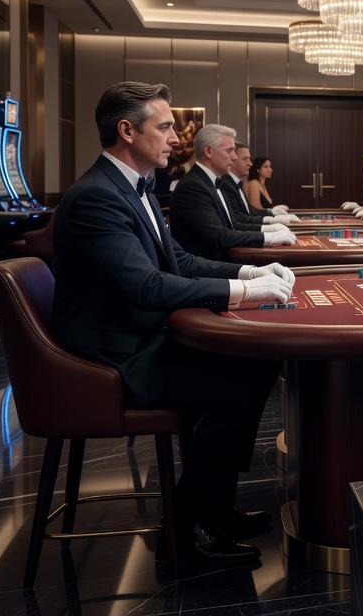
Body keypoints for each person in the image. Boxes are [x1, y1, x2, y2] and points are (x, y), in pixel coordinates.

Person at [51, 81, 297, 564]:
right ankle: (185, 524)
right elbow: (146, 287)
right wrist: (246, 292)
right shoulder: (96, 197)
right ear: (127, 130)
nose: (174, 138)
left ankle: (215, 508)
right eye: (164, 127)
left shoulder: (133, 185)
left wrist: (249, 269)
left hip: (138, 335)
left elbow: (177, 261)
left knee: (259, 365)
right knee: (237, 386)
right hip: (113, 356)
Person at [169, 124, 297, 260]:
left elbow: (234, 224)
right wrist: (268, 236)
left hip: (228, 258)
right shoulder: (192, 186)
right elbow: (219, 237)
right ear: (208, 151)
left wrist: (270, 228)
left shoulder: (213, 181)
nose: (234, 157)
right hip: (210, 269)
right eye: (229, 150)